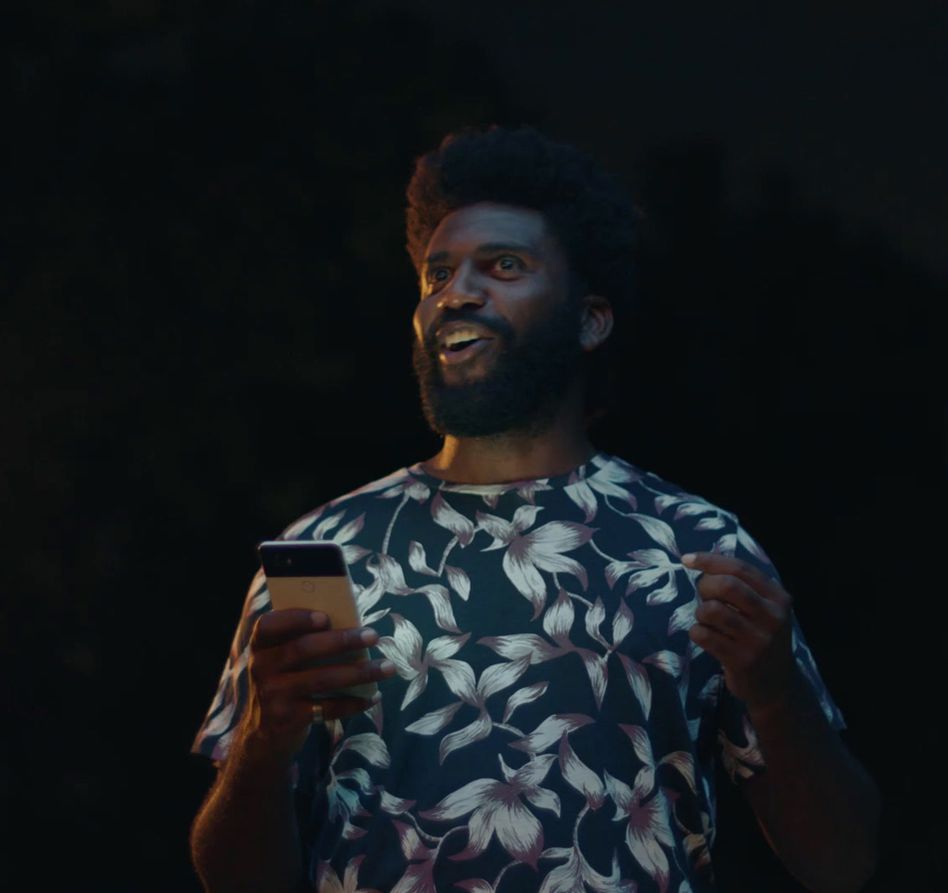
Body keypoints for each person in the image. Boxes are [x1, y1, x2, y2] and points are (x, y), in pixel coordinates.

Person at [189, 126, 880, 893]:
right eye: (437, 273)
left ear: (590, 319)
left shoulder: (695, 547)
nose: (457, 291)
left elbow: (842, 863)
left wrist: (777, 692)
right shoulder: (327, 551)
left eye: (505, 266)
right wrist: (262, 740)